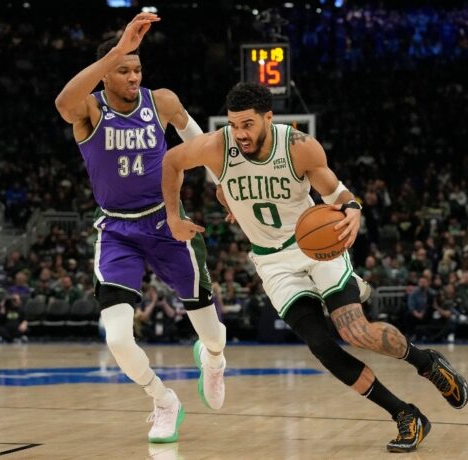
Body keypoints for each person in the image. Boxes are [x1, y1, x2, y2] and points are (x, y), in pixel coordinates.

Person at [162, 82, 468, 453]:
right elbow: (172, 162)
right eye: (234, 124)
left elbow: (336, 192)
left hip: (315, 247)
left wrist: (352, 208)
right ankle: (405, 415)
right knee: (322, 346)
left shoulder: (298, 147)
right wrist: (175, 216)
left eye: (247, 124)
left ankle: (427, 363)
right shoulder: (218, 145)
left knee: (355, 332)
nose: (239, 133)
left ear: (268, 118)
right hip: (272, 260)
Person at [54, 13, 226, 443]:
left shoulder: (162, 101)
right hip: (117, 232)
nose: (133, 76)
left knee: (213, 333)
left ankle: (215, 358)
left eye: (137, 69)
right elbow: (62, 103)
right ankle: (163, 399)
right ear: (106, 73)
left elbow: (199, 141)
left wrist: (223, 183)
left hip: (167, 221)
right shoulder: (90, 109)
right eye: (124, 70)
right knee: (116, 337)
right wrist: (116, 48)